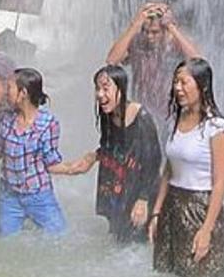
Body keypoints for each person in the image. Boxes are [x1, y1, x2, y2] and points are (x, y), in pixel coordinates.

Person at [57, 65, 163, 243]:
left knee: (136, 242)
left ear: (120, 89)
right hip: (118, 184)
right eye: (97, 89)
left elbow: (154, 161)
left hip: (139, 190)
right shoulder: (108, 114)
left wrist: (143, 200)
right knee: (118, 236)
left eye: (106, 88)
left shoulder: (141, 118)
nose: (100, 94)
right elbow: (110, 145)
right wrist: (93, 157)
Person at [149, 58, 224, 277]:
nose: (177, 88)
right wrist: (157, 212)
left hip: (200, 210)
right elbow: (169, 170)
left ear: (202, 85)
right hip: (171, 209)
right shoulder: (175, 121)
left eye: (184, 82)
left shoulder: (217, 128)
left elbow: (220, 182)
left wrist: (206, 230)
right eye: (175, 82)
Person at [0, 67, 78, 235]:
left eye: (9, 87)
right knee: (5, 243)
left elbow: (51, 161)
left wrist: (73, 168)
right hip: (9, 196)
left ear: (23, 93)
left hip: (39, 196)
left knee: (61, 238)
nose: (5, 91)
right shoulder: (6, 118)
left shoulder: (48, 123)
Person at [105, 2, 201, 120]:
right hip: (142, 113)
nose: (149, 36)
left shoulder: (173, 44)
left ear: (165, 31)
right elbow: (111, 60)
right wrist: (135, 25)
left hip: (171, 112)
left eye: (155, 32)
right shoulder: (137, 42)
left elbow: (197, 60)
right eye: (146, 31)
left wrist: (172, 27)